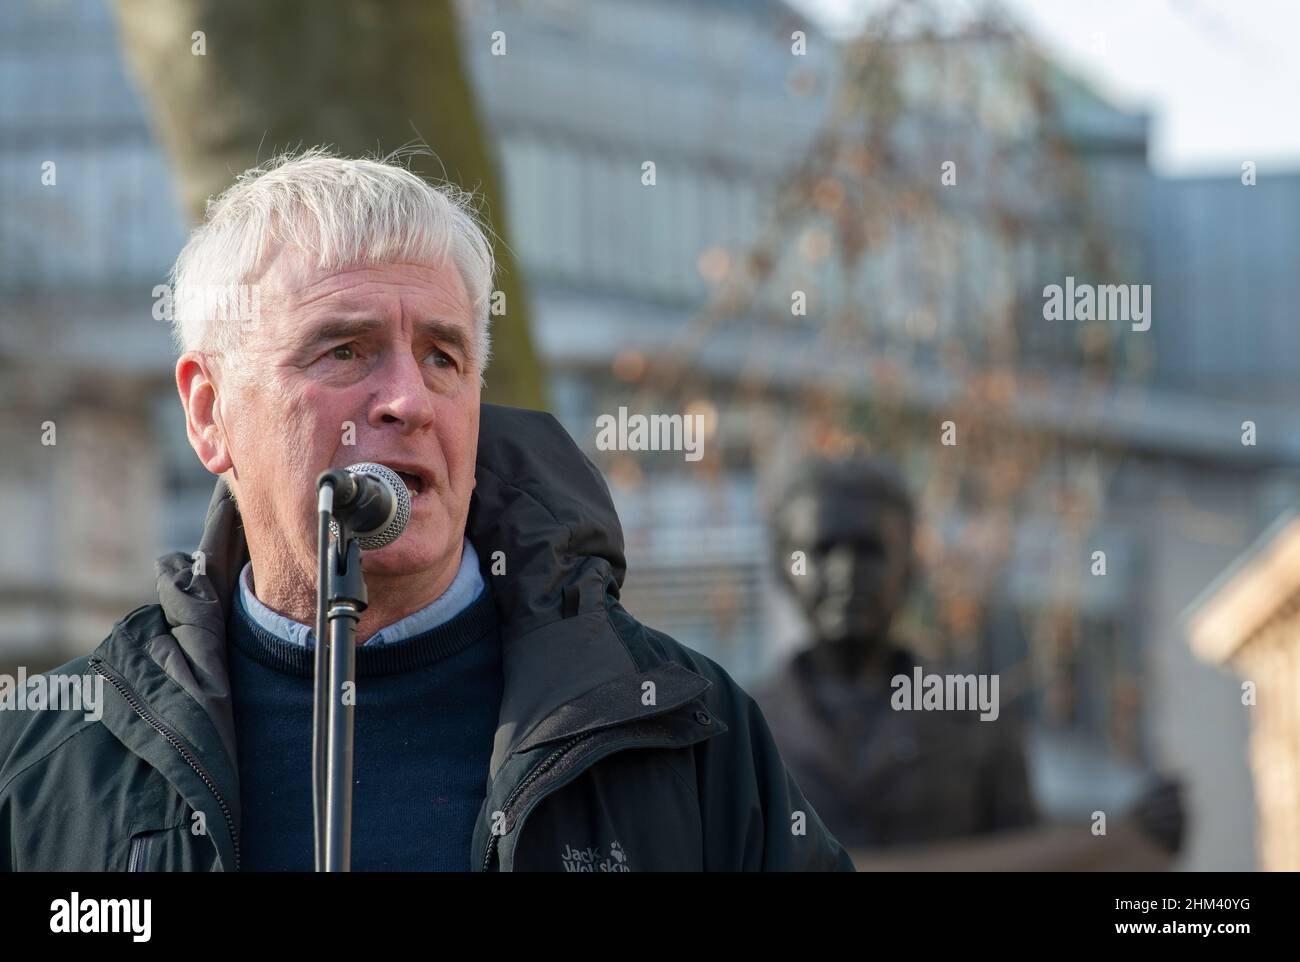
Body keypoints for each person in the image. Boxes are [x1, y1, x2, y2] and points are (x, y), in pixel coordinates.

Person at [0, 149, 853, 872]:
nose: (408, 399)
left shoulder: (684, 734)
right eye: (345, 350)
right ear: (209, 412)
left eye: (443, 356)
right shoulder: (54, 757)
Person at [752, 456, 1184, 869]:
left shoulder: (977, 713)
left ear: (910, 567)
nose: (846, 573)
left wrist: (1127, 836)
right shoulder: (739, 726)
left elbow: (1025, 862)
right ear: (782, 568)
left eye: (870, 551)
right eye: (822, 550)